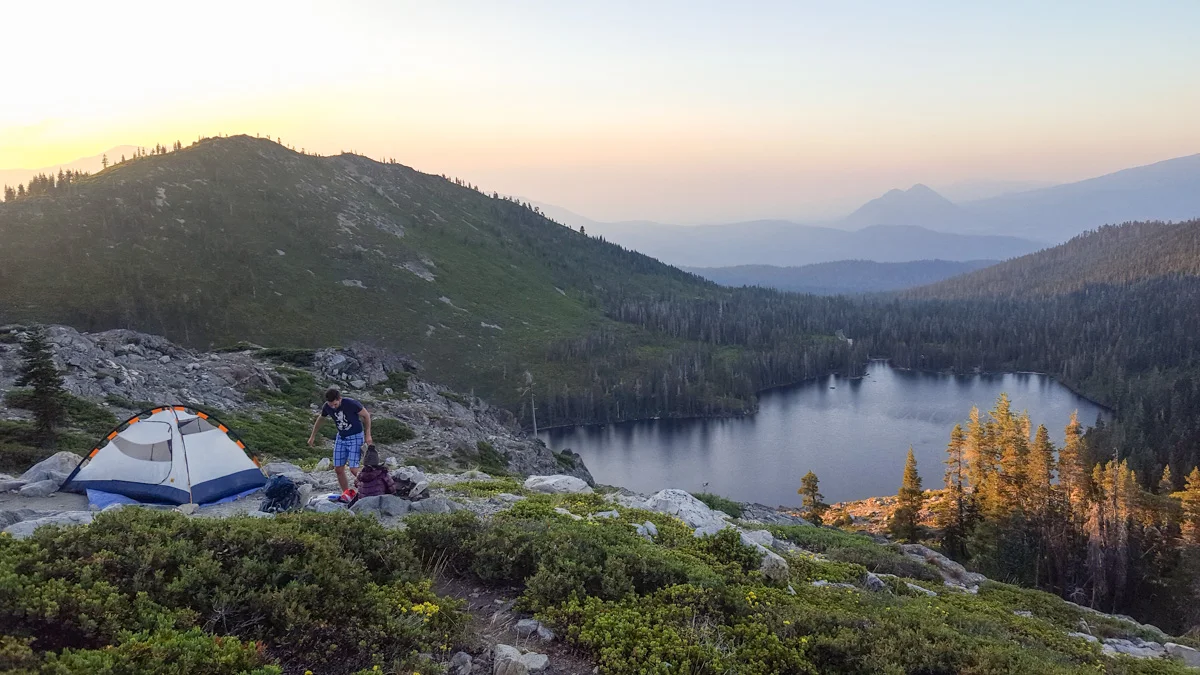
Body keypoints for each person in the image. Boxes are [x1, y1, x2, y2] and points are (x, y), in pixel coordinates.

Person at [308, 387, 373, 493]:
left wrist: (368, 435)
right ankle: (346, 493)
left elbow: (366, 416)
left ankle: (369, 488)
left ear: (339, 399)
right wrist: (312, 436)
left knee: (353, 469)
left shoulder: (351, 404)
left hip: (355, 436)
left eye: (335, 404)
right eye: (331, 405)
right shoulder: (327, 407)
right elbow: (321, 419)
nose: (333, 407)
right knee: (338, 469)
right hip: (341, 437)